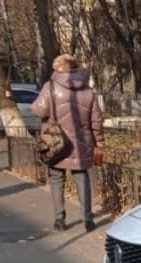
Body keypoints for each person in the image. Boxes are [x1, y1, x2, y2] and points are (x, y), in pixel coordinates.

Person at [32, 55, 104, 232]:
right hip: (82, 144)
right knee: (82, 177)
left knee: (57, 179)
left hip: (56, 143)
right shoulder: (88, 91)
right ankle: (87, 218)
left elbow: (38, 111)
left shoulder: (49, 88)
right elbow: (96, 121)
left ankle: (59, 220)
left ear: (58, 69)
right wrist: (99, 144)